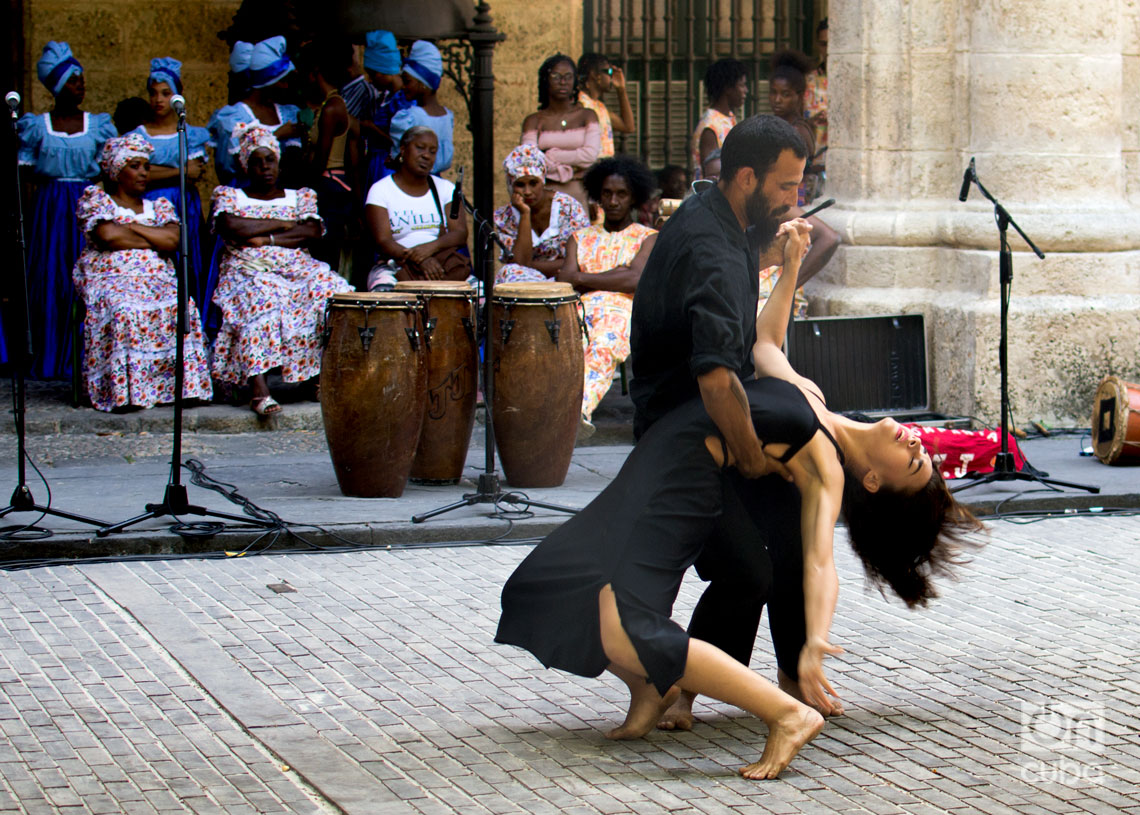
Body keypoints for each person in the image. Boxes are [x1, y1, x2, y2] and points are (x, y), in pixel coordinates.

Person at [497, 185, 980, 778]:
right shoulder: (818, 401)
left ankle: (730, 695)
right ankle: (673, 689)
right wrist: (794, 266)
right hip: (684, 453)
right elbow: (766, 342)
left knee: (677, 597)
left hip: (695, 471)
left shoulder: (826, 465)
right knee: (688, 585)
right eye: (922, 449)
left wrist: (816, 640)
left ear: (873, 481)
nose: (914, 440)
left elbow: (819, 564)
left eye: (912, 461)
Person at [629, 115, 834, 732]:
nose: (794, 200)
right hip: (683, 440)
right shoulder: (713, 249)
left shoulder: (728, 218)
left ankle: (797, 671)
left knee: (796, 519)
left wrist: (783, 255)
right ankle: (682, 687)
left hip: (719, 424)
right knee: (747, 568)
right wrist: (750, 457)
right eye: (786, 186)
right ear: (746, 176)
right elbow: (718, 379)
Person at [209, 124, 352, 416]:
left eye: (269, 160)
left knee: (334, 292)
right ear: (244, 165)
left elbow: (312, 230)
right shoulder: (229, 196)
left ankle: (317, 379)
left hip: (297, 267)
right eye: (256, 161)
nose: (264, 167)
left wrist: (265, 238)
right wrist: (285, 224)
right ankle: (259, 389)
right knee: (261, 295)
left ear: (279, 162)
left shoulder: (300, 196)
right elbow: (231, 226)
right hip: (248, 268)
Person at [72, 134, 212, 412]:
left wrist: (130, 227)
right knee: (124, 308)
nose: (143, 173)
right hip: (110, 279)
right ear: (116, 171)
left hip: (156, 278)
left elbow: (173, 241)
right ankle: (128, 393)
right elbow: (108, 237)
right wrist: (152, 235)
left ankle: (179, 389)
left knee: (180, 306)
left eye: (146, 166)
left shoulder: (158, 205)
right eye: (134, 166)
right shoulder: (96, 201)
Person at [13, 41, 117, 380]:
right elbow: (25, 169)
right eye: (74, 80)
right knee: (50, 275)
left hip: (85, 203)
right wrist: (52, 185)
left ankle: (84, 357)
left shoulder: (98, 125)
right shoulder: (37, 126)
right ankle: (50, 354)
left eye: (82, 80)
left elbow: (108, 168)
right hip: (50, 206)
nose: (81, 86)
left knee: (86, 277)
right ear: (57, 85)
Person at [556, 156, 657, 433]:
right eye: (607, 193)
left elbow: (635, 279)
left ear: (633, 197)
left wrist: (583, 278)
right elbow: (565, 280)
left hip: (621, 313)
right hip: (577, 310)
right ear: (597, 196)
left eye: (621, 194)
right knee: (560, 346)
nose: (613, 201)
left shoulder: (647, 237)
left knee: (603, 344)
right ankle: (552, 412)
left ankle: (577, 413)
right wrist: (616, 274)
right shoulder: (580, 238)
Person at [129, 57, 213, 327]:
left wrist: (160, 170)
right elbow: (142, 173)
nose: (158, 100)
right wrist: (178, 171)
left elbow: (196, 172)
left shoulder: (191, 134)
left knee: (188, 263)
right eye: (153, 93)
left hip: (184, 206)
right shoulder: (139, 135)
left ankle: (190, 328)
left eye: (166, 93)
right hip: (151, 205)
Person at [365, 126, 469, 289]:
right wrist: (419, 259)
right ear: (403, 149)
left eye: (432, 151)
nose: (426, 155)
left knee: (480, 295)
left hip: (440, 264)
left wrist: (429, 249)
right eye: (420, 148)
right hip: (395, 264)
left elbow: (460, 233)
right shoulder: (381, 190)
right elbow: (382, 241)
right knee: (383, 293)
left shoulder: (445, 188)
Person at [208, 37, 304, 187]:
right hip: (247, 196)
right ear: (267, 83)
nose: (286, 87)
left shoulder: (287, 113)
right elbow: (229, 167)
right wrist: (276, 136)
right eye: (281, 81)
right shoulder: (235, 117)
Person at [300, 38, 360, 273]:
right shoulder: (330, 104)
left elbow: (321, 160)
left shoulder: (333, 107)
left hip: (328, 188)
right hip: (330, 187)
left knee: (324, 256)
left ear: (316, 73)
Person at [492, 144, 590, 285]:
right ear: (510, 186)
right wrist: (525, 214)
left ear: (543, 180)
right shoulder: (505, 216)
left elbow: (578, 261)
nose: (527, 191)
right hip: (524, 283)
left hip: (563, 280)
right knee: (508, 273)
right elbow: (519, 265)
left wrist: (531, 266)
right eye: (520, 185)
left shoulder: (567, 208)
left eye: (533, 183)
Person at [521, 54, 601, 210]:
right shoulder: (533, 121)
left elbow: (590, 156)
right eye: (556, 76)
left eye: (568, 76)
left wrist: (551, 155)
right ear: (545, 80)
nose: (563, 82)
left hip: (579, 193)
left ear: (575, 81)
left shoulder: (588, 116)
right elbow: (529, 161)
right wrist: (573, 171)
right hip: (544, 194)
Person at [386, 41, 454, 178]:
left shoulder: (409, 117)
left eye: (407, 81)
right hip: (436, 184)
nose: (403, 87)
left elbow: (397, 158)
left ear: (422, 82)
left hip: (410, 183)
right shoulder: (447, 116)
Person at [768, 50, 817, 205]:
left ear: (799, 96)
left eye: (785, 94)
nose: (777, 100)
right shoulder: (779, 125)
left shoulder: (796, 130)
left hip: (791, 204)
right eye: (773, 92)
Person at [691, 59, 747, 180]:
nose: (745, 91)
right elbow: (711, 173)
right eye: (742, 85)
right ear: (728, 88)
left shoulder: (727, 119)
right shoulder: (711, 124)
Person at [576, 53, 635, 159]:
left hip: (604, 168)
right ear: (595, 75)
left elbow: (628, 126)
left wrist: (621, 90)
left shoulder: (600, 107)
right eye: (609, 72)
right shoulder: (580, 103)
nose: (612, 77)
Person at [804, 19, 828, 172]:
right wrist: (811, 122)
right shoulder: (809, 80)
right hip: (814, 164)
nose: (828, 49)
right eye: (824, 44)